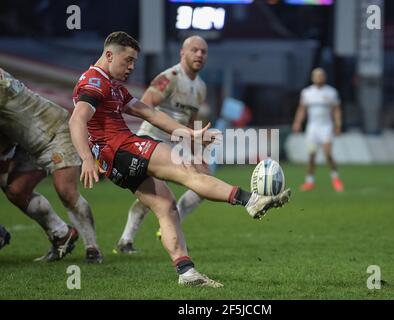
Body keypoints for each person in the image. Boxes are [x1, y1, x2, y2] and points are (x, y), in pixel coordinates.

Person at [69, 31, 290, 287]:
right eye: (128, 60)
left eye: (134, 62)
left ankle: (186, 272)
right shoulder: (95, 82)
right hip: (123, 147)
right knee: (190, 172)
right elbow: (77, 119)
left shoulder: (113, 85)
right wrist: (85, 157)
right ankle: (251, 200)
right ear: (109, 54)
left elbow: (147, 112)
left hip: (114, 161)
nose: (131, 67)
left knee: (166, 206)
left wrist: (190, 134)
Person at [116, 35, 212, 253]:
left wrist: (197, 152)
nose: (199, 55)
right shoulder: (170, 77)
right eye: (194, 50)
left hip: (175, 144)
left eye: (203, 52)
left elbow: (190, 121)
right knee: (154, 192)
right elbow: (145, 105)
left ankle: (163, 226)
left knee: (204, 181)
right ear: (182, 53)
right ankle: (128, 240)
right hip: (153, 140)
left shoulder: (201, 87)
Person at [0, 68, 101, 263]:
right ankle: (61, 235)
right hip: (26, 141)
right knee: (17, 192)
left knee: (66, 191)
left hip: (55, 130)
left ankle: (93, 248)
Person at [292, 68, 344, 192]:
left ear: (324, 77)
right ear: (312, 78)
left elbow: (336, 109)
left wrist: (338, 124)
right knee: (311, 156)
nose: (319, 78)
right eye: (316, 76)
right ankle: (309, 181)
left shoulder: (331, 92)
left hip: (326, 126)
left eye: (321, 75)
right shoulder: (307, 92)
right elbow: (302, 109)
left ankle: (335, 178)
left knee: (328, 154)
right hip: (312, 128)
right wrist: (297, 122)